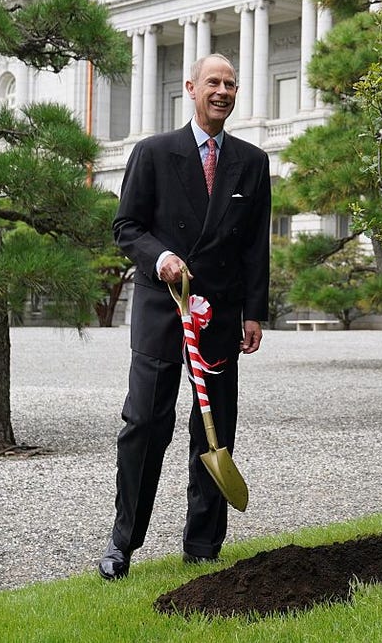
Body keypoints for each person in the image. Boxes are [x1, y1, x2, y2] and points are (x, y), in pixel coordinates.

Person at [98, 54, 271, 580]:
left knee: (214, 433)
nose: (223, 91)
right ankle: (122, 542)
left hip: (219, 318)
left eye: (231, 84)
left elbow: (253, 247)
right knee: (144, 426)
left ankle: (203, 546)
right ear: (191, 88)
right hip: (161, 313)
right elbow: (125, 226)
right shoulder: (153, 153)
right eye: (213, 82)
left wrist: (254, 314)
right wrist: (161, 257)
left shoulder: (252, 161)